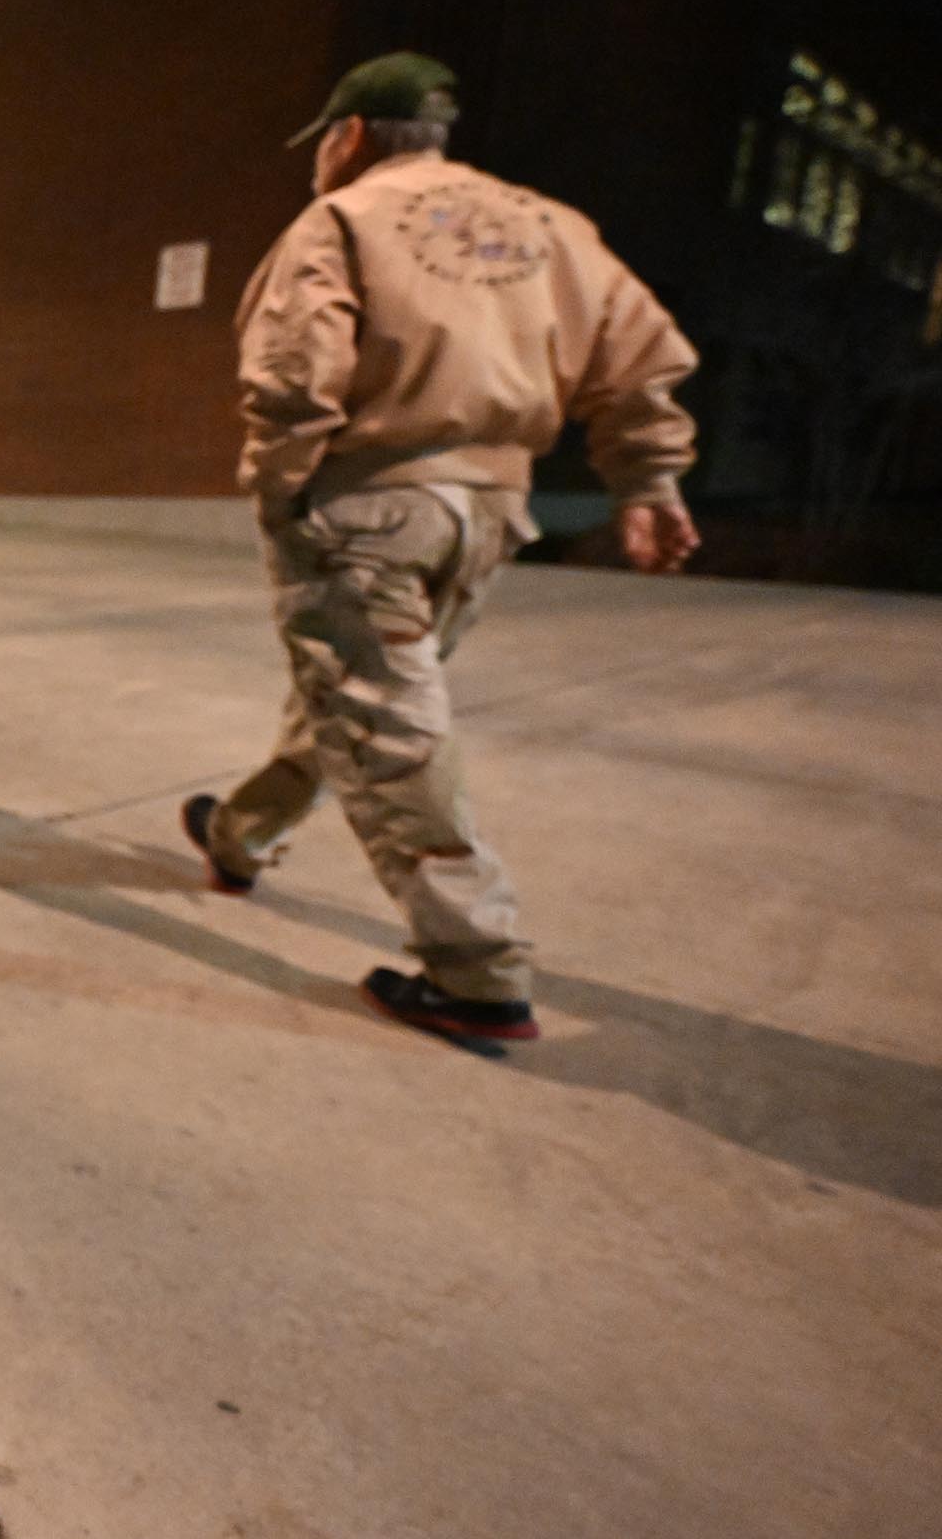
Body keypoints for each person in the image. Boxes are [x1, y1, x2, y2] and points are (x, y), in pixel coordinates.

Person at [183, 51, 702, 1045]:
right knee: (366, 692)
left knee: (386, 723)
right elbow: (641, 358)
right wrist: (649, 480)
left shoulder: (340, 220)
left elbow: (297, 369)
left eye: (324, 143)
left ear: (351, 135)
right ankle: (240, 833)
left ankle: (477, 969)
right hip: (491, 509)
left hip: (372, 499)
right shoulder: (555, 229)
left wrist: (285, 486)